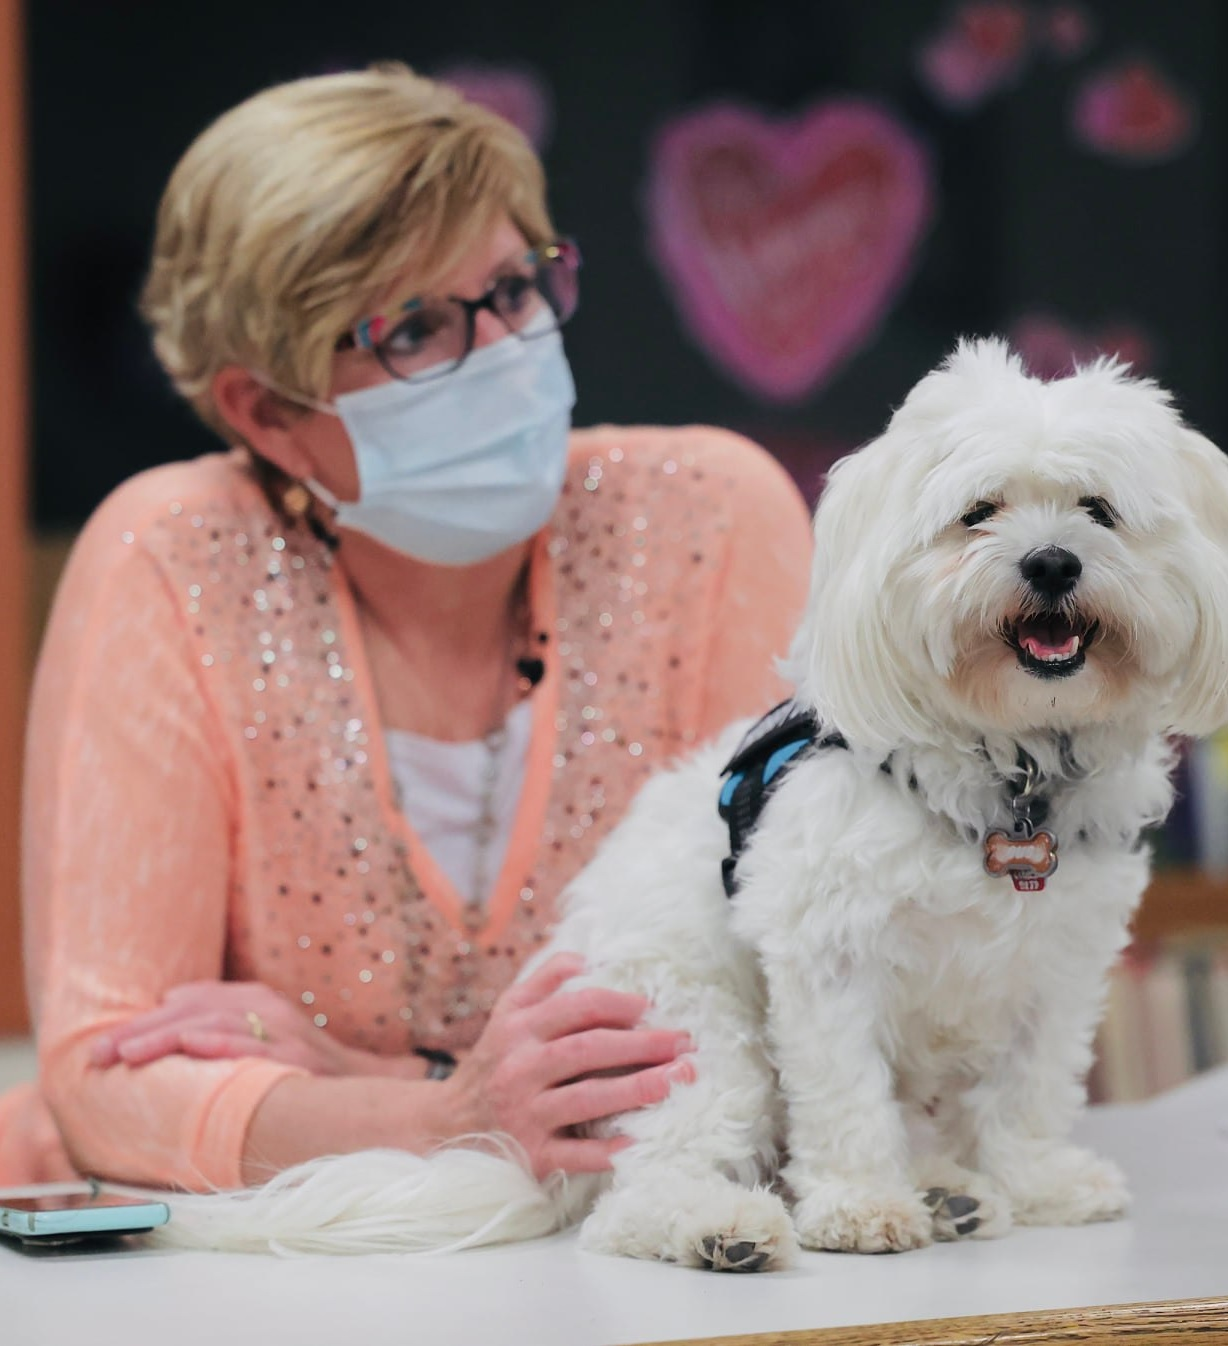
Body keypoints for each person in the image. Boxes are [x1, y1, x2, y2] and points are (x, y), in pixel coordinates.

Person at [0, 64, 812, 1192]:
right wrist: (445, 1114)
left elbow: (802, 996)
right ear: (266, 411)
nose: (501, 353)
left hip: (619, 1262)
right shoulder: (172, 555)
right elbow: (104, 1081)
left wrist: (352, 1081)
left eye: (516, 289)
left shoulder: (708, 516)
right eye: (414, 328)